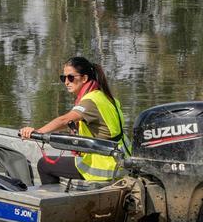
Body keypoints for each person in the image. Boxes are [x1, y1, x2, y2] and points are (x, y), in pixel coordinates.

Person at [18, 56, 130, 184]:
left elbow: (65, 120)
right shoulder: (105, 97)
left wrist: (36, 132)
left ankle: (53, 202)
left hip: (104, 166)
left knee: (44, 165)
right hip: (121, 161)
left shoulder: (90, 101)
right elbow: (71, 123)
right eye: (63, 78)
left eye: (70, 77)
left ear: (84, 78)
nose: (66, 82)